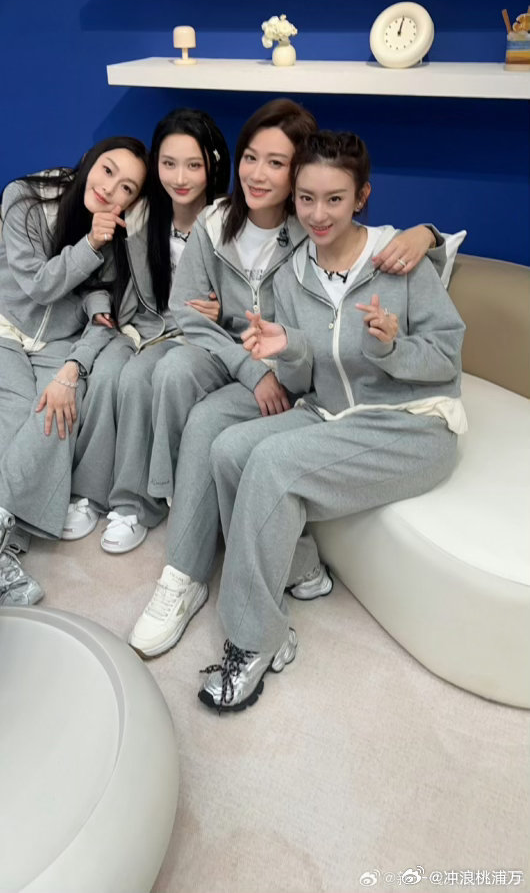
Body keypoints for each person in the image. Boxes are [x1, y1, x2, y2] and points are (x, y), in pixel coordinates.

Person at [129, 105, 444, 658]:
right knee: (186, 392)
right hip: (256, 362)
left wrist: (428, 235)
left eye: (276, 163)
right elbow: (193, 312)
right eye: (250, 157)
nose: (257, 174)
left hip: (306, 376)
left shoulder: (315, 230)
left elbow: (378, 251)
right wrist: (249, 361)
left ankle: (217, 581)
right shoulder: (218, 224)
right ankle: (184, 570)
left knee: (216, 428)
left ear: (300, 172)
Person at [196, 129, 467, 711]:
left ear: (361, 196)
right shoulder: (292, 274)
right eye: (306, 198)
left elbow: (446, 358)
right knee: (229, 450)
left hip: (412, 424)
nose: (318, 214)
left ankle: (253, 641)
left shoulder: (399, 262)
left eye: (335, 199)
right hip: (332, 415)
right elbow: (305, 380)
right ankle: (304, 572)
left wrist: (392, 347)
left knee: (272, 463)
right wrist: (288, 347)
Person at [0, 136, 148, 604]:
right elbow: (39, 285)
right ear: (88, 162)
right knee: (20, 411)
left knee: (58, 407)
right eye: (107, 170)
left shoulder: (116, 233)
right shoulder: (26, 197)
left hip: (56, 337)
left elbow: (103, 307)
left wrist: (73, 366)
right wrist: (91, 242)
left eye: (127, 188)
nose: (110, 189)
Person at [67, 108, 231, 549]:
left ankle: (135, 505)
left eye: (193, 165)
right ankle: (89, 493)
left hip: (191, 334)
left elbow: (252, 291)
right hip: (138, 325)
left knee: (139, 378)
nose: (180, 177)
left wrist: (223, 310)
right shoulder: (140, 214)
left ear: (214, 164)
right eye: (168, 163)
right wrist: (101, 309)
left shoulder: (227, 221)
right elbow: (101, 275)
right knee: (105, 373)